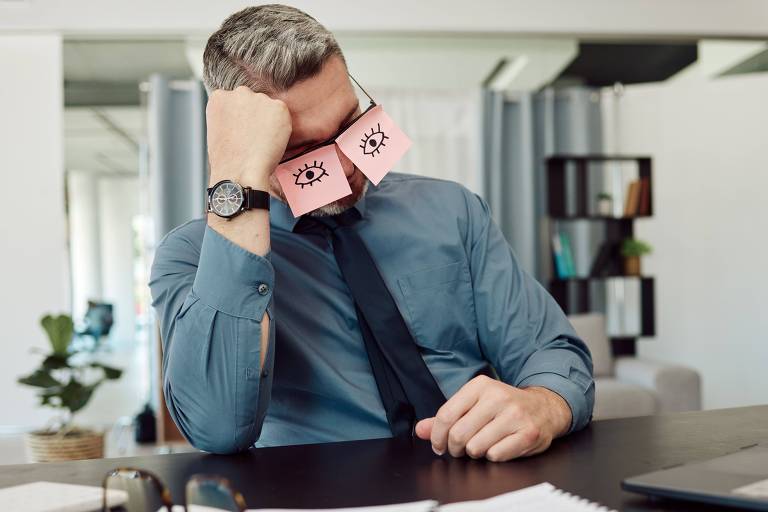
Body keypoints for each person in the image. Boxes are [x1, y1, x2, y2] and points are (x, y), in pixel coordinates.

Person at [149, 3, 594, 462]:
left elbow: (552, 352)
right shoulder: (191, 256)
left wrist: (545, 404)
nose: (345, 165)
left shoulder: (451, 209)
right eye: (302, 149)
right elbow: (216, 427)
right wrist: (235, 184)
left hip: (482, 480)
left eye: (348, 125)